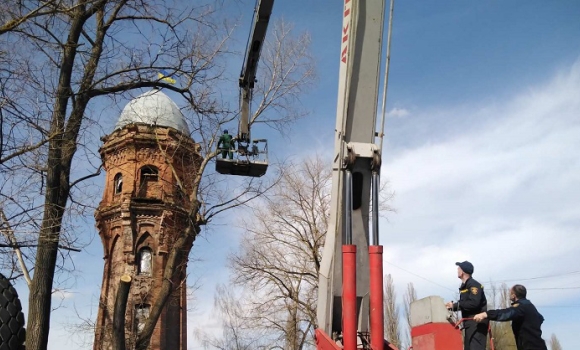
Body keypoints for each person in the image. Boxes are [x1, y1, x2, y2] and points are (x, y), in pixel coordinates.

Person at [473, 284, 547, 350]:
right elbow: (540, 318)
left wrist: (486, 314)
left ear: (514, 295)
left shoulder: (521, 307)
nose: (509, 294)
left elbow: (506, 314)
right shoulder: (530, 306)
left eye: (510, 293)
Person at [445, 261, 488, 350]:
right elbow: (465, 304)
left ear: (463, 272)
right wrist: (453, 306)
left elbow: (474, 303)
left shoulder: (473, 285)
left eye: (459, 268)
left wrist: (456, 305)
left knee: (476, 347)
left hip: (477, 323)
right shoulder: (465, 286)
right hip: (469, 323)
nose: (457, 270)